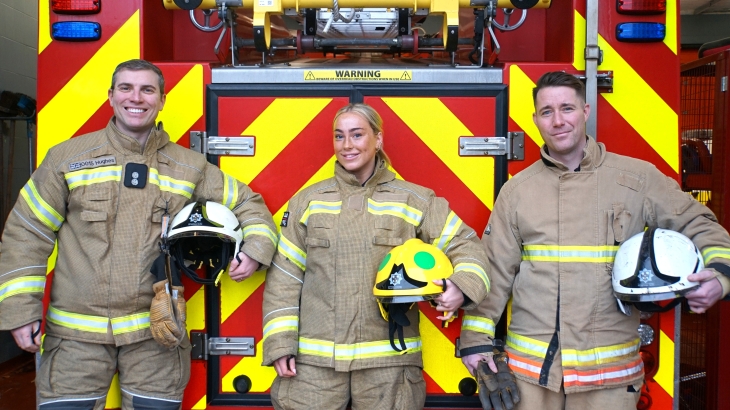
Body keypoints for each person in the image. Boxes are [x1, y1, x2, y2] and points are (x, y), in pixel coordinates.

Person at [0, 59, 278, 409]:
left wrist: (254, 249)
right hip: (75, 342)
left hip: (156, 338)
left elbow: (248, 204)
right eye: (126, 88)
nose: (137, 98)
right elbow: (27, 232)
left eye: (148, 90)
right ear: (111, 97)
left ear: (162, 100)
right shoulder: (68, 158)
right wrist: (19, 310)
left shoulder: (187, 165)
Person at [458, 71, 730, 409]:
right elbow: (495, 271)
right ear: (535, 120)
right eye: (547, 112)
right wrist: (475, 340)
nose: (558, 121)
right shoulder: (517, 191)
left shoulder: (637, 178)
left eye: (567, 109)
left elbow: (698, 221)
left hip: (609, 382)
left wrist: (720, 276)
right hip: (532, 378)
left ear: (585, 111)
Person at [261, 103, 491, 410]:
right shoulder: (308, 201)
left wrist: (460, 287)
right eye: (339, 136)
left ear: (378, 139)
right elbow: (284, 279)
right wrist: (280, 344)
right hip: (314, 368)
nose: (347, 145)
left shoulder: (415, 200)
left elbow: (466, 245)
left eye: (357, 135)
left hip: (389, 367)